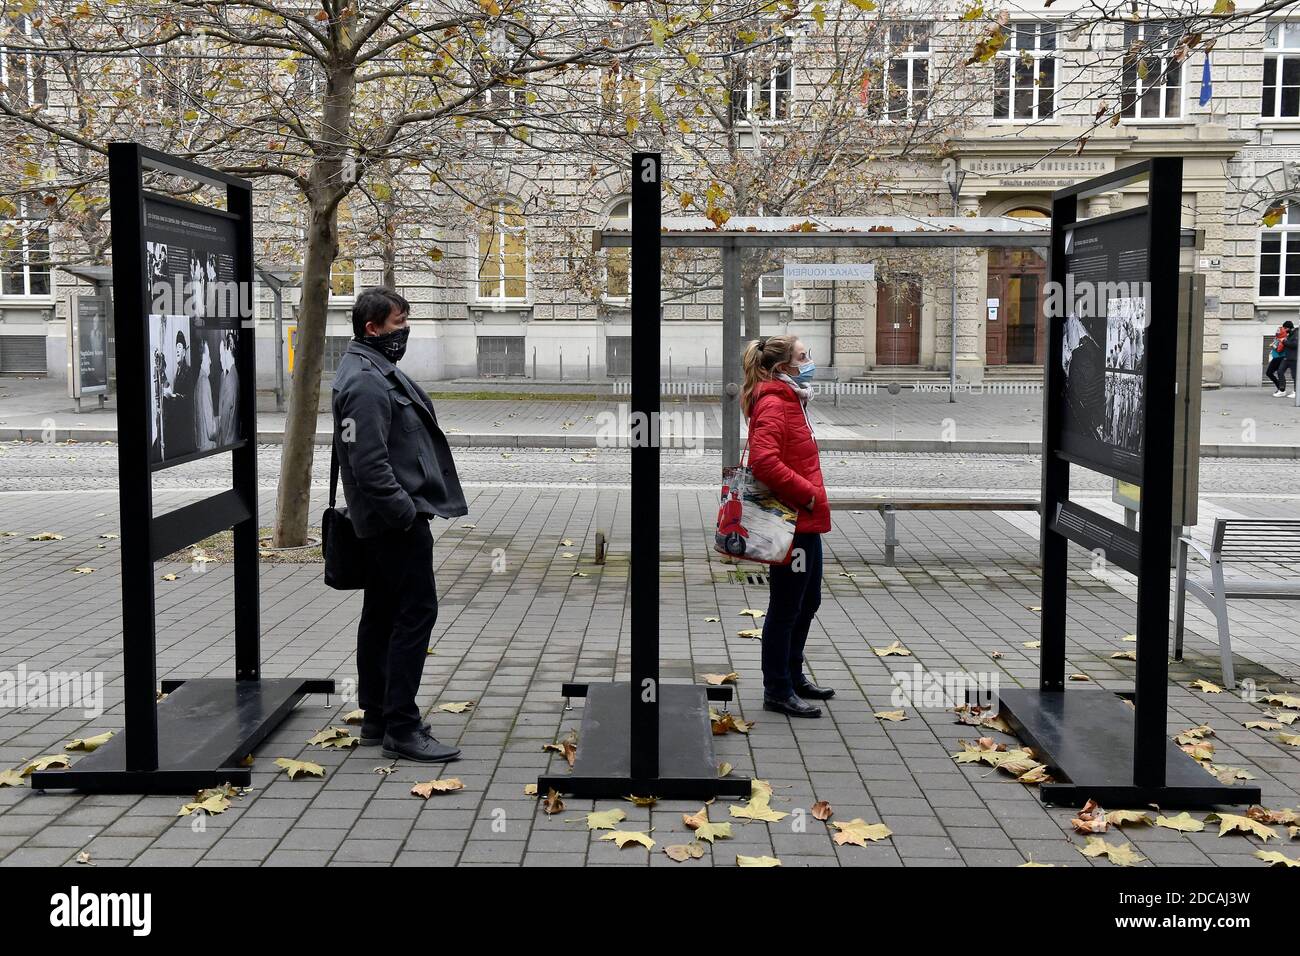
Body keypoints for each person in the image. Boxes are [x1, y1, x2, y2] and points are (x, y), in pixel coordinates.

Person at [332, 287, 468, 762]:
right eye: (398, 323)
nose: (404, 330)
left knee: (383, 613)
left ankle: (377, 716)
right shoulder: (367, 381)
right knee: (414, 614)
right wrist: (405, 515)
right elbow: (368, 462)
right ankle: (402, 728)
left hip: (385, 522)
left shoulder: (371, 368)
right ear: (372, 329)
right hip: (392, 524)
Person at [742, 334, 833, 719]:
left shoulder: (791, 399)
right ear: (783, 368)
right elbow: (763, 461)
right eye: (802, 355)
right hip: (792, 522)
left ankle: (793, 676)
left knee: (806, 601)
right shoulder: (776, 403)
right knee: (786, 607)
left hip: (804, 523)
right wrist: (807, 493)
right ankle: (777, 689)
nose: (808, 360)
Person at [194, 337, 218, 452]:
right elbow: (211, 429)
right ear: (202, 358)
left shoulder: (199, 381)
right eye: (208, 357)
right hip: (207, 446)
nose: (210, 361)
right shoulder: (204, 382)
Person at [216, 332, 239, 445]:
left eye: (221, 354)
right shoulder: (231, 374)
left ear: (228, 350)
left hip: (228, 438)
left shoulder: (230, 379)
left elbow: (226, 418)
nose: (220, 359)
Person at [1276, 320, 1297, 399]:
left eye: (1285, 328)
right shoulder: (1289, 334)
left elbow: (1294, 345)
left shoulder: (1296, 334)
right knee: (1280, 371)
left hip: (1294, 358)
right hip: (1287, 357)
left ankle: (1296, 391)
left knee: (1295, 376)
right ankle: (1282, 390)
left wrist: (1284, 341)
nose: (1284, 329)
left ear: (1289, 328)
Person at [1267, 322, 1289, 396]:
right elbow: (1275, 344)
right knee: (1270, 373)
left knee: (1277, 372)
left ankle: (1281, 389)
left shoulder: (1284, 338)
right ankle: (1280, 388)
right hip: (1276, 357)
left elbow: (1279, 349)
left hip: (1280, 357)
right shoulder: (1278, 337)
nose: (1277, 333)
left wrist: (1273, 346)